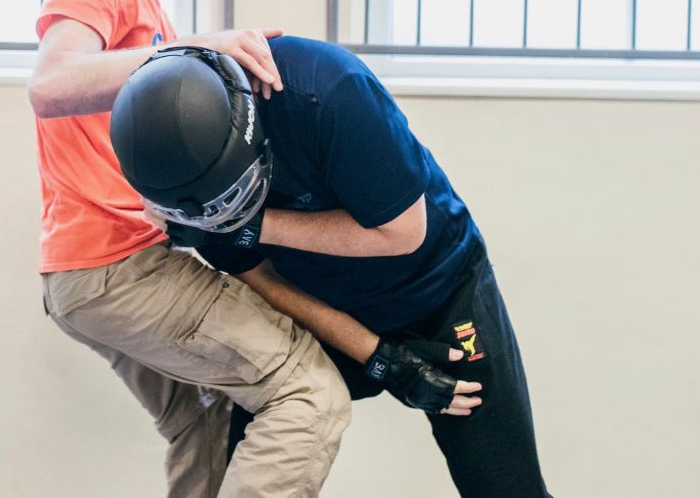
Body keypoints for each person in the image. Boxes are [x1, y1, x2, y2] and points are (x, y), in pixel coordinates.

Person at [28, 0, 360, 498]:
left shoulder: (153, 9)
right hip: (114, 265)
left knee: (205, 416)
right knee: (309, 391)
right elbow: (51, 85)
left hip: (97, 270)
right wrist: (196, 51)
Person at [110, 38, 555, 498]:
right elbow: (261, 279)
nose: (226, 216)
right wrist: (381, 360)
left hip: (439, 288)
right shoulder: (184, 191)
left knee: (507, 487)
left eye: (236, 202)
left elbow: (402, 232)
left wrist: (254, 226)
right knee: (252, 453)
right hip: (319, 302)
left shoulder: (328, 90)